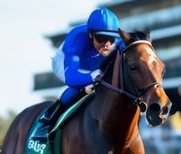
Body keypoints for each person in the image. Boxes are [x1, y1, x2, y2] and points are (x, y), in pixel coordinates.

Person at [29, 8, 121, 142]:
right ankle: (46, 122)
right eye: (101, 38)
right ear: (90, 34)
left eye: (111, 39)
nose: (107, 44)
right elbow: (71, 78)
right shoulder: (77, 38)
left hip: (94, 65)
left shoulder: (118, 42)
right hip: (67, 65)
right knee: (78, 89)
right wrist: (94, 76)